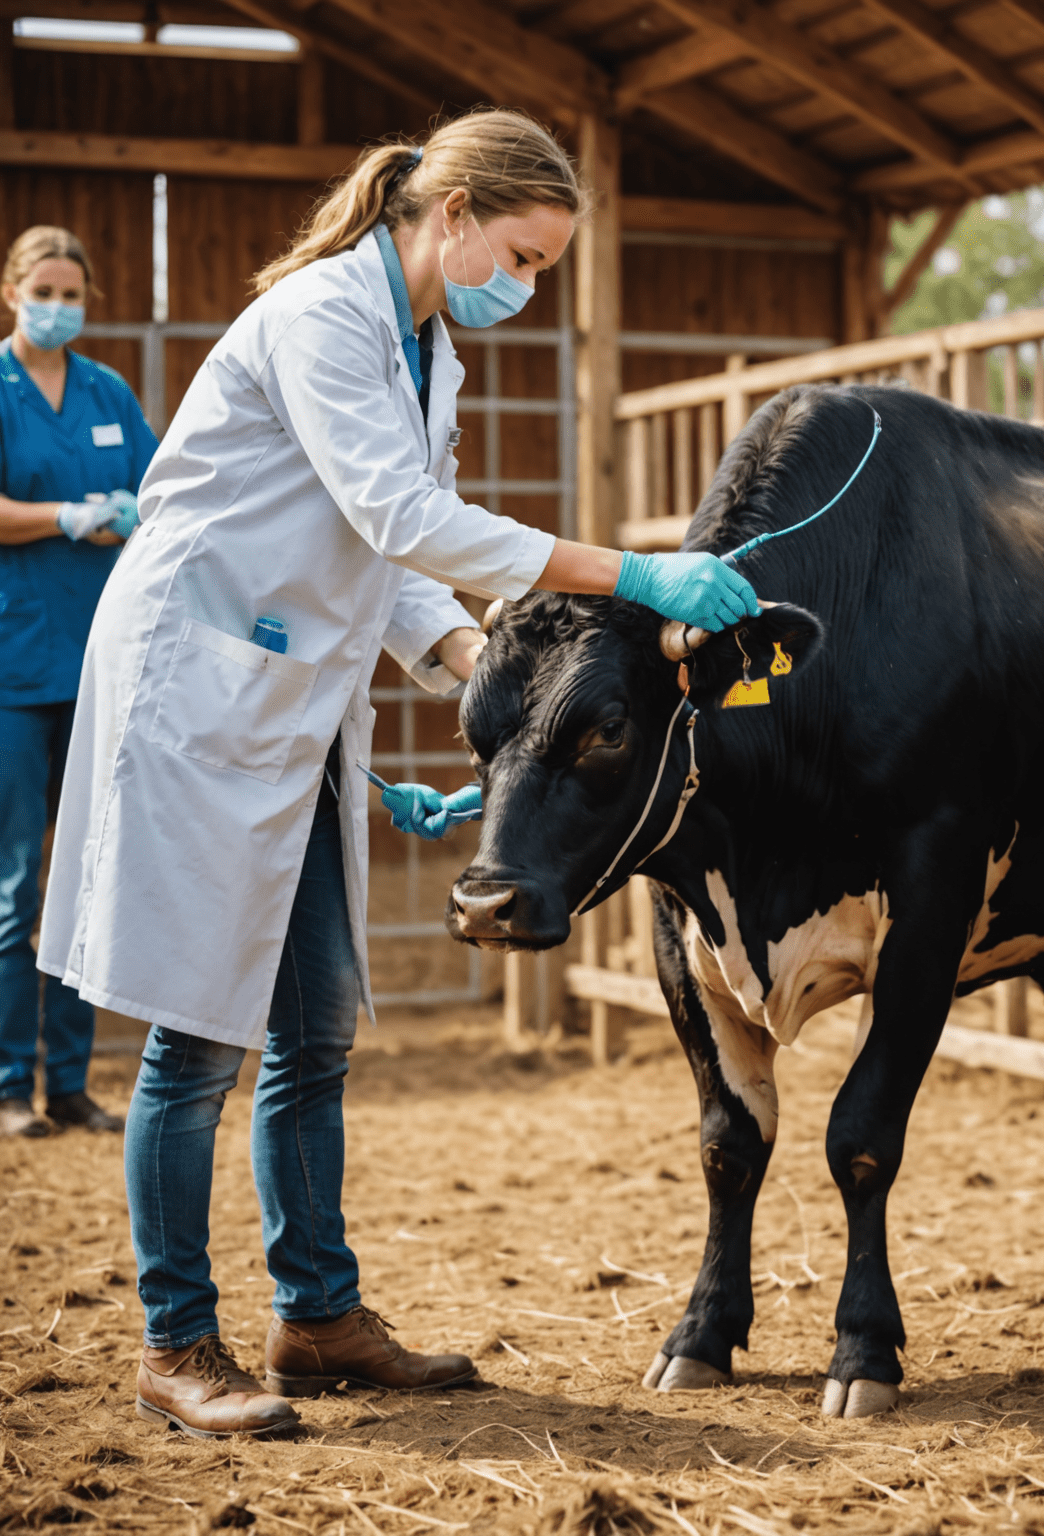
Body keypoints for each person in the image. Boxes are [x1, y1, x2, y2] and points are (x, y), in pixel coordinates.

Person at [37, 109, 759, 1438]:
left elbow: (383, 565)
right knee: (197, 1037)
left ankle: (315, 1313)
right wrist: (630, 570)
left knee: (317, 1028)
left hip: (292, 709)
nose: (526, 289)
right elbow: (401, 516)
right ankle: (175, 1341)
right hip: (199, 689)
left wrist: (482, 677)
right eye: (527, 258)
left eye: (545, 270)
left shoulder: (430, 354)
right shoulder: (322, 318)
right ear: (458, 212)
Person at [0, 226, 154, 1140]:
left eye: (73, 292)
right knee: (20, 881)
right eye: (43, 290)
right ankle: (11, 1084)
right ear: (12, 291)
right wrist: (66, 514)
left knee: (89, 879)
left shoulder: (106, 390)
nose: (59, 305)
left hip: (101, 664)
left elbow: (161, 484)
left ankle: (72, 1083)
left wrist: (139, 512)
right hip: (16, 669)